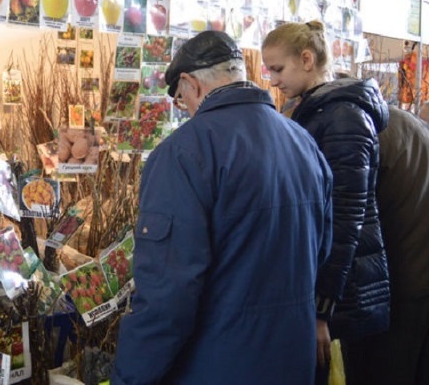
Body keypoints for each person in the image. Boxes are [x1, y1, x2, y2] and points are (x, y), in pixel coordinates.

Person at [111, 31, 333, 384]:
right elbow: (322, 253)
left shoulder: (184, 153)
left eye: (181, 100)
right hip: (293, 361)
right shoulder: (303, 142)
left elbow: (167, 297)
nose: (185, 109)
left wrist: (128, 377)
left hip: (217, 365)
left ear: (190, 83)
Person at [262, 20, 390, 384]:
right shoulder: (313, 111)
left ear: (306, 59)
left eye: (278, 69)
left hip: (343, 296)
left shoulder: (344, 117)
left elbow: (346, 219)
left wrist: (322, 309)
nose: (273, 80)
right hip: (327, 287)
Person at [339, 105, 429, 385]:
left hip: (391, 283)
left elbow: (352, 219)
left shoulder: (364, 133)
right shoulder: (408, 125)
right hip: (415, 276)